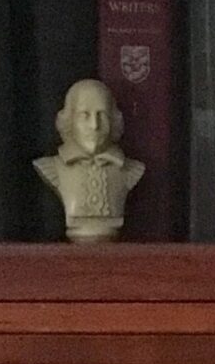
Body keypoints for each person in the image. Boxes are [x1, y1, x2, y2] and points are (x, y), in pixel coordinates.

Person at [33, 78, 144, 242]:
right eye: (84, 115)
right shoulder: (50, 167)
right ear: (69, 120)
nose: (94, 125)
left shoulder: (132, 169)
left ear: (114, 120)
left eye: (102, 115)